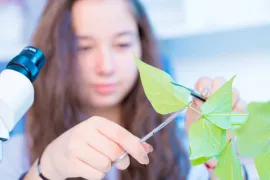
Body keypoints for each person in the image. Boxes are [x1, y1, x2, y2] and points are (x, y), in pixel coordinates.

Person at [0, 0, 247, 179]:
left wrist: (222, 155)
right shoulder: (14, 149)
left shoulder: (181, 143)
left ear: (143, 45)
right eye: (83, 48)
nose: (105, 67)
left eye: (122, 44)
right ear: (57, 53)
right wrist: (45, 170)